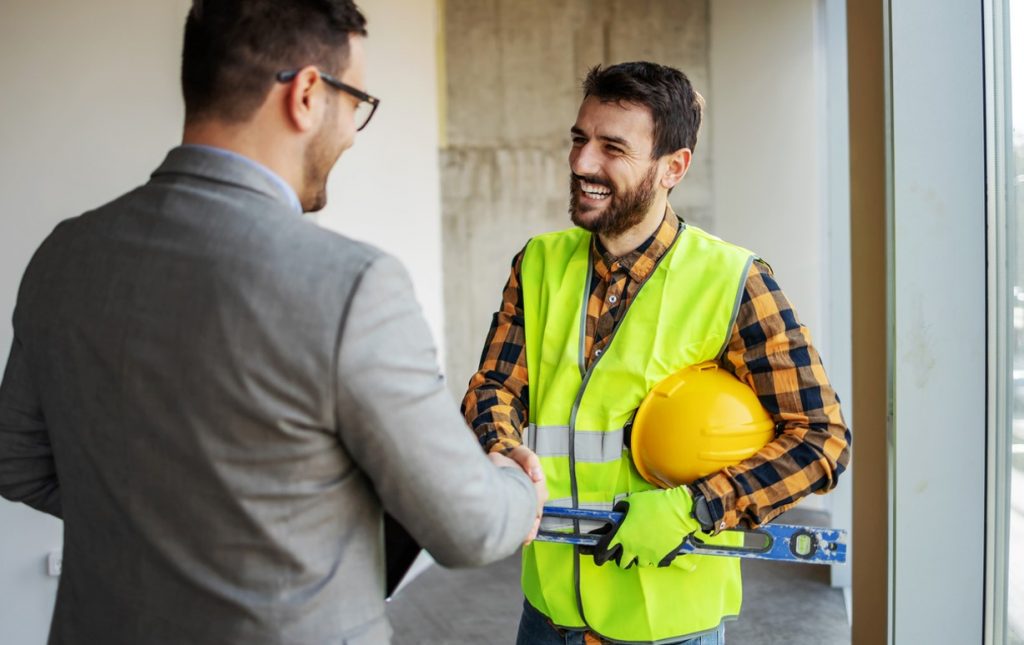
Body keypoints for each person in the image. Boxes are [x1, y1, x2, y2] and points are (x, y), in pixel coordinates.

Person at [0, 1, 545, 643]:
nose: (351, 131)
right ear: (308, 94)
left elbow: (17, 464)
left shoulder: (66, 253)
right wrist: (517, 483)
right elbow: (470, 526)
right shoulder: (352, 285)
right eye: (357, 105)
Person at [462, 61, 851, 644]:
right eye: (579, 139)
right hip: (547, 611)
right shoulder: (538, 263)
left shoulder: (734, 281)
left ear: (674, 167)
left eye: (612, 148)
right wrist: (501, 447)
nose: (581, 163)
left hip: (668, 624)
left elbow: (822, 440)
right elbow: (496, 386)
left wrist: (696, 508)